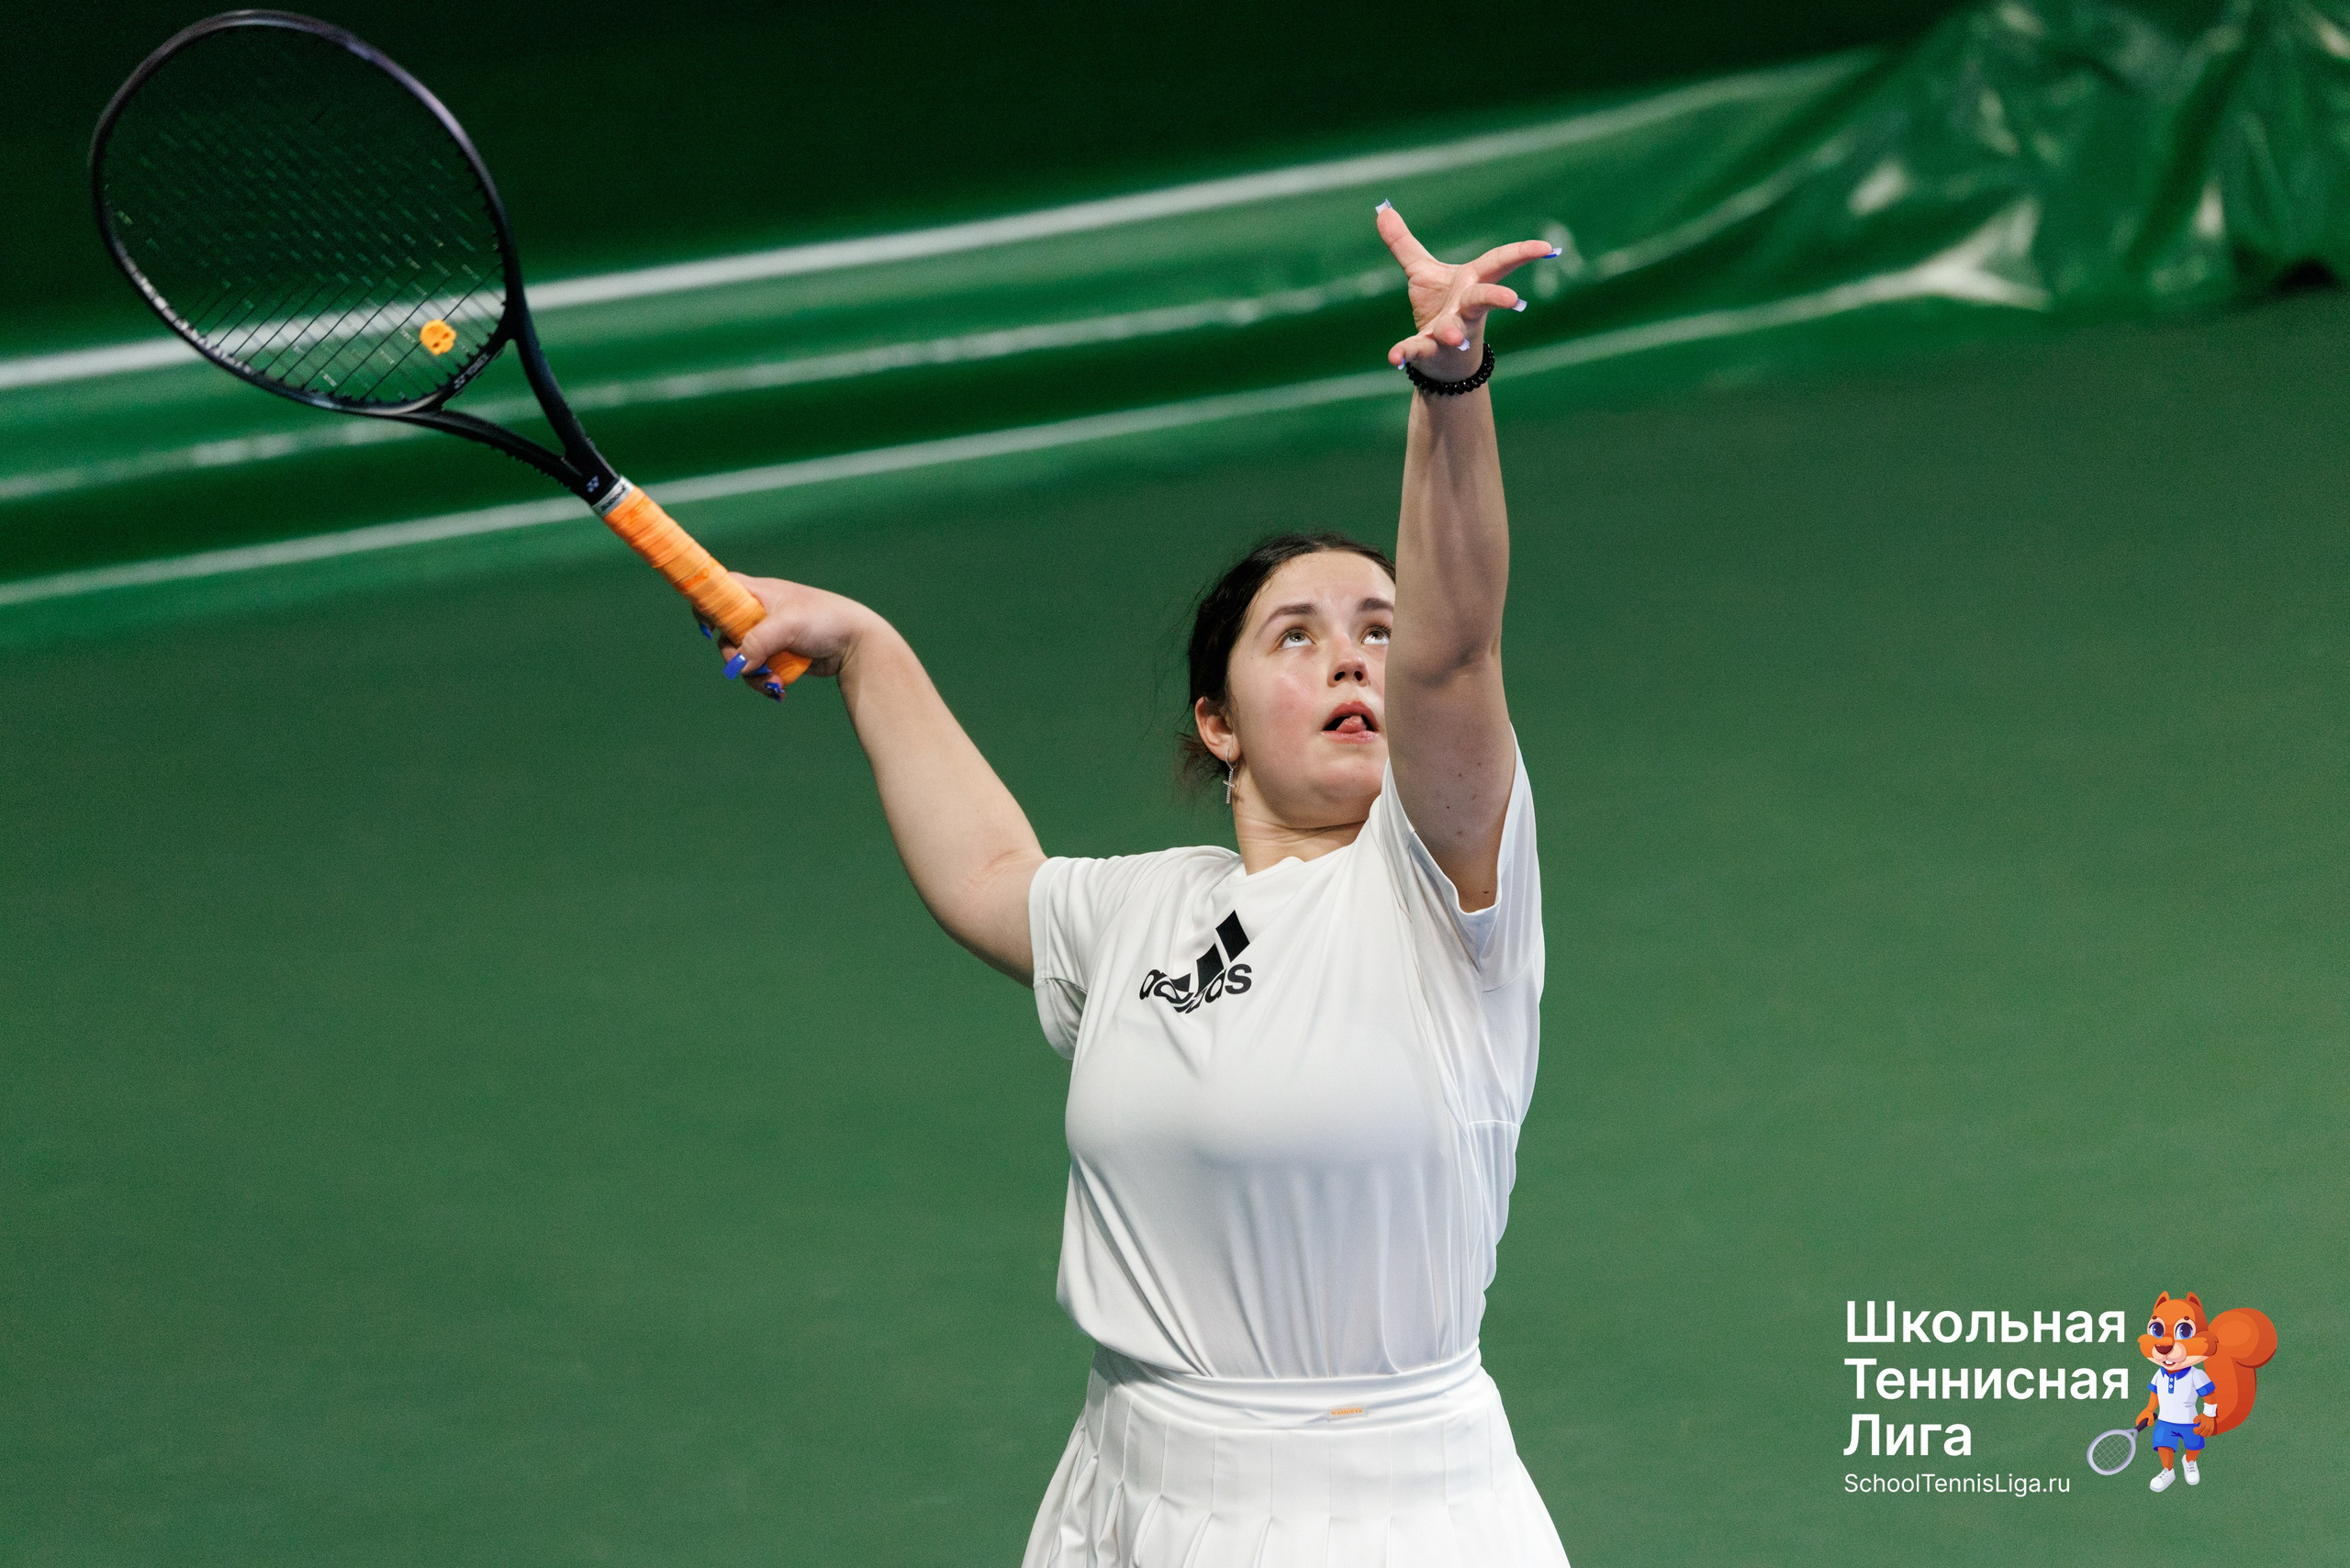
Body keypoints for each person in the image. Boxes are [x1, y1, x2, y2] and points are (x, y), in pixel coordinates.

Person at [714, 205, 1569, 1565]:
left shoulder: (1446, 894)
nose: (1358, 662)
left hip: (1380, 1516)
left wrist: (1450, 392)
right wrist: (865, 646)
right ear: (1216, 721)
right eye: (1299, 636)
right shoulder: (1140, 914)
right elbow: (990, 867)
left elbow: (1458, 657)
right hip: (1126, 1491)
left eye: (1377, 633)